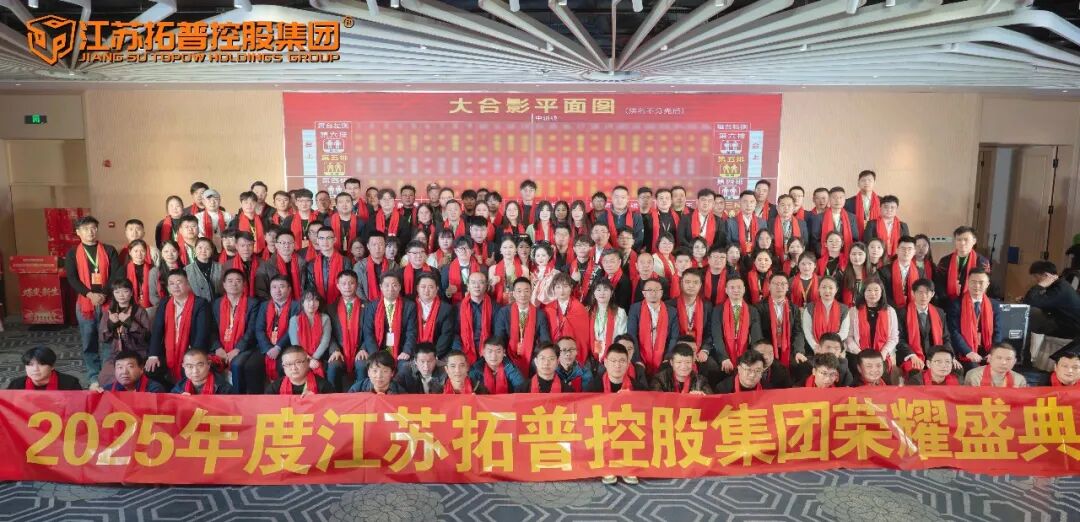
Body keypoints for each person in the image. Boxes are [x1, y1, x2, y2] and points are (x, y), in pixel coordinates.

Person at [65, 216, 122, 384]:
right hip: (85, 303)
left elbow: (116, 274)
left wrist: (103, 294)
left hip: (107, 301)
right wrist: (90, 295)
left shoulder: (109, 250)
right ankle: (93, 375)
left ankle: (108, 374)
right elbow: (72, 278)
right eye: (85, 229)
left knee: (108, 339)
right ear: (78, 232)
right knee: (89, 341)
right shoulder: (72, 253)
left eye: (93, 228)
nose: (90, 232)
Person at [149, 269, 212, 384]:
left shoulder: (200, 303)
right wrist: (153, 355)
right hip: (168, 352)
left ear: (187, 284)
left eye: (179, 282)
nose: (175, 286)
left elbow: (202, 334)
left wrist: (192, 358)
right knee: (150, 371)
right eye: (172, 284)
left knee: (188, 370)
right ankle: (168, 393)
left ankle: (180, 391)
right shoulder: (164, 303)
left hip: (191, 351)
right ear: (168, 288)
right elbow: (157, 330)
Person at [210, 269, 262, 394]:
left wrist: (237, 349)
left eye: (238, 281)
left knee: (236, 364)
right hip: (221, 346)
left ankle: (237, 397)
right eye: (230, 281)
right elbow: (211, 329)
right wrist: (218, 348)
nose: (234, 284)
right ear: (224, 284)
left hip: (244, 347)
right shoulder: (216, 303)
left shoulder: (253, 303)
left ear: (244, 285)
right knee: (207, 363)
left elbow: (251, 331)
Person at [98, 279, 152, 389]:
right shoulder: (109, 312)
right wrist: (111, 324)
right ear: (113, 294)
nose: (121, 295)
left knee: (134, 377)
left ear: (131, 293)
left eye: (125, 291)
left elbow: (146, 337)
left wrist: (129, 322)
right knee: (105, 378)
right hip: (116, 354)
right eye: (117, 292)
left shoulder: (140, 311)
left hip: (137, 353)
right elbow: (103, 338)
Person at [361, 272, 418, 372]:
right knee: (361, 365)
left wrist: (406, 351)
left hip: (400, 349)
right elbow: (368, 332)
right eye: (386, 285)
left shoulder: (409, 306)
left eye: (394, 285)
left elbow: (411, 332)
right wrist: (375, 353)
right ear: (381, 287)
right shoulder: (372, 306)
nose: (391, 289)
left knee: (405, 367)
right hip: (378, 348)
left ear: (400, 287)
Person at [494, 277, 551, 376]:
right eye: (519, 291)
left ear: (531, 292)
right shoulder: (504, 312)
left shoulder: (540, 314)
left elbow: (545, 340)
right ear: (514, 293)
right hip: (509, 354)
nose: (523, 295)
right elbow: (499, 338)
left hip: (532, 354)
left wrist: (540, 356)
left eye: (526, 291)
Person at [946, 269, 1002, 367]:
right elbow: (954, 332)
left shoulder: (994, 305)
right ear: (968, 282)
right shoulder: (956, 304)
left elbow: (998, 331)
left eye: (981, 282)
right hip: (965, 351)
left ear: (987, 284)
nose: (977, 286)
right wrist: (968, 352)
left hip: (987, 350)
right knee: (973, 368)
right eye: (973, 282)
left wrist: (993, 352)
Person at [626, 278, 680, 376]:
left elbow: (674, 337)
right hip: (640, 355)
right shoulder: (635, 309)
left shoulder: (672, 311)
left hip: (664, 357)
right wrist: (637, 359)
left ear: (661, 293)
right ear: (644, 293)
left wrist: (668, 357)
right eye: (649, 290)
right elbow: (631, 335)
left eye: (656, 290)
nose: (653, 293)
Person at [845, 277, 899, 369]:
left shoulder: (890, 311)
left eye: (876, 290)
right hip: (858, 355)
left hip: (882, 356)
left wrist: (883, 352)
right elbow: (848, 337)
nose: (872, 293)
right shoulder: (853, 311)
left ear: (882, 292)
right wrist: (860, 353)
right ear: (863, 292)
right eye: (869, 290)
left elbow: (894, 337)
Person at [255, 274, 301, 382]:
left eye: (282, 286)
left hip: (286, 346)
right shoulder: (264, 305)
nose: (277, 290)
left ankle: (283, 390)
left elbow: (292, 330)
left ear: (289, 289)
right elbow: (259, 329)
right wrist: (268, 348)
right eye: (274, 287)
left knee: (282, 366)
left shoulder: (297, 306)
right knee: (251, 366)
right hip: (266, 346)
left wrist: (278, 347)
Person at [711, 277, 763, 372]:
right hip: (723, 354)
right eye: (732, 287)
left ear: (744, 289)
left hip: (746, 353)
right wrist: (724, 358)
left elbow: (756, 337)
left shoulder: (752, 310)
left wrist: (751, 358)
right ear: (726, 290)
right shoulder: (718, 310)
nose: (736, 290)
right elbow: (716, 336)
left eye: (739, 287)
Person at [935, 226, 992, 307]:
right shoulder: (945, 261)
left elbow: (984, 284)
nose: (962, 243)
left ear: (974, 241)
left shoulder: (982, 262)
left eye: (966, 240)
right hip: (948, 302)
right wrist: (948, 298)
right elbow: (938, 282)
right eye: (959, 240)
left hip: (972, 302)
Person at [757, 273, 804, 369]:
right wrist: (765, 351)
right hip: (768, 349)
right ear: (769, 286)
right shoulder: (759, 307)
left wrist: (798, 351)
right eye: (776, 284)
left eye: (783, 284)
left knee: (801, 366)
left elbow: (798, 332)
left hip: (788, 348)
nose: (779, 287)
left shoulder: (794, 308)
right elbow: (758, 333)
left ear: (787, 287)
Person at [1023, 260, 1080, 339]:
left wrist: (1041, 285)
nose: (1036, 280)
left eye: (1036, 277)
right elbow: (1038, 301)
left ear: (1046, 275)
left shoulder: (1060, 289)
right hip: (1066, 322)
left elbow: (1029, 302)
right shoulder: (1060, 284)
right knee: (1033, 313)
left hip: (1072, 329)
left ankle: (1024, 346)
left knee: (1030, 316)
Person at [544, 273, 592, 364]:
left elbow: (583, 336)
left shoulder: (579, 308)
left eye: (565, 286)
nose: (562, 291)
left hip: (574, 352)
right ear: (553, 289)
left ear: (571, 287)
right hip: (554, 352)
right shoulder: (548, 309)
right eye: (558, 287)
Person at [304, 226, 353, 304]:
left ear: (334, 240)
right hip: (318, 304)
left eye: (329, 238)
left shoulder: (345, 261)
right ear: (317, 240)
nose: (325, 242)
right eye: (321, 238)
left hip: (341, 303)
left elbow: (349, 283)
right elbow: (311, 287)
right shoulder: (311, 264)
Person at [801, 276, 850, 354]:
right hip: (815, 349)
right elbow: (807, 331)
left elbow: (844, 332)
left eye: (831, 288)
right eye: (823, 287)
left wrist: (830, 347)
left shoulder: (844, 309)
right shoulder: (810, 307)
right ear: (819, 289)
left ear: (836, 290)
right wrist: (816, 347)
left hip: (836, 350)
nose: (827, 291)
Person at [265, 344, 336, 394]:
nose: (294, 368)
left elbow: (333, 404)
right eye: (288, 364)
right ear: (283, 366)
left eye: (298, 362)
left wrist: (317, 399)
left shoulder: (323, 385)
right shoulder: (275, 388)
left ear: (308, 363)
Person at [255, 230, 305, 301]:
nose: (286, 246)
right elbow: (261, 291)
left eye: (290, 243)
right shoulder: (265, 267)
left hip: (300, 304)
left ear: (294, 244)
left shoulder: (303, 264)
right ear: (276, 245)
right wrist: (277, 305)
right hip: (275, 305)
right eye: (283, 243)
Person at [7, 347, 83, 390]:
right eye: (30, 365)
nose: (35, 369)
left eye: (41, 364)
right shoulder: (16, 385)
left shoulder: (70, 384)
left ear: (52, 366)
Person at [880, 236, 924, 309]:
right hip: (890, 309)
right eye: (903, 248)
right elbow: (882, 294)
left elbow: (922, 292)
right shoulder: (884, 271)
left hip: (914, 309)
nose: (906, 252)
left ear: (914, 252)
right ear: (897, 250)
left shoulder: (920, 272)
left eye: (909, 249)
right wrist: (897, 309)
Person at [813, 187, 859, 256]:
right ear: (829, 200)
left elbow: (855, 238)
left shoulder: (852, 217)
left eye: (841, 197)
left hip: (847, 254)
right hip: (826, 255)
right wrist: (824, 253)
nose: (838, 200)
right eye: (834, 197)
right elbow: (815, 240)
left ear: (844, 200)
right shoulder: (819, 217)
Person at [171, 348, 235, 394]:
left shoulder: (223, 388)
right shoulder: (179, 388)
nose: (195, 371)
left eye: (200, 365)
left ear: (208, 364)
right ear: (183, 366)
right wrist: (180, 401)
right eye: (190, 366)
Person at [100, 350, 166, 392]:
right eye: (120, 367)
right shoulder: (108, 390)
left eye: (130, 366)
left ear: (141, 369)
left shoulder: (154, 389)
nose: (124, 372)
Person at [727, 190, 767, 256]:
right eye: (745, 201)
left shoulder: (762, 222)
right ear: (739, 203)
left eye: (752, 202)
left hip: (756, 256)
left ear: (755, 204)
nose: (748, 205)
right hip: (737, 256)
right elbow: (728, 243)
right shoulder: (730, 222)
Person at [183, 237, 223, 303]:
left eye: (207, 248)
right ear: (195, 249)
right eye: (200, 248)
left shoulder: (220, 267)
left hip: (218, 304)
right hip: (197, 305)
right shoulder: (186, 270)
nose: (203, 251)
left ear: (212, 251)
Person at [844, 170, 882, 235]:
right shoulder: (848, 202)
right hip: (856, 237)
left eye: (869, 180)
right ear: (858, 183)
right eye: (863, 180)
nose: (866, 182)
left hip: (877, 237)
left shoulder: (882, 201)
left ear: (874, 183)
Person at [771, 194, 808, 259]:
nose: (786, 208)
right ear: (777, 208)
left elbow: (805, 243)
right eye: (783, 205)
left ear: (793, 208)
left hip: (796, 259)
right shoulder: (770, 223)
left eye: (789, 205)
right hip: (774, 258)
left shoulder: (802, 224)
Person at [225, 231, 261, 297]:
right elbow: (224, 290)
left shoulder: (263, 264)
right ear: (236, 246)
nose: (246, 249)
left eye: (249, 245)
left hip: (259, 300)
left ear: (253, 245)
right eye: (242, 245)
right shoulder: (227, 266)